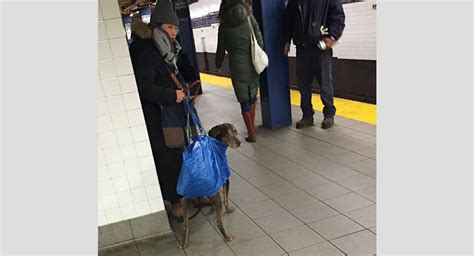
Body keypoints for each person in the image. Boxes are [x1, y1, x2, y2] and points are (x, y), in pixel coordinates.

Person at [128, 0, 195, 219]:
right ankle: (175, 202)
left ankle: (186, 193)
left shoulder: (167, 47)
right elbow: (143, 86)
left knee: (179, 152)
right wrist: (171, 95)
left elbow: (179, 73)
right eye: (169, 27)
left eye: (176, 28)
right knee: (168, 158)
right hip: (158, 115)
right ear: (157, 26)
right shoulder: (148, 50)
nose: (174, 32)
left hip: (171, 111)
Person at [284, 0, 345, 129]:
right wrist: (286, 40)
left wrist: (332, 36)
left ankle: (329, 114)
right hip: (303, 47)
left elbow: (338, 17)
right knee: (303, 84)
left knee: (325, 82)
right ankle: (307, 116)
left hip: (321, 47)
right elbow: (289, 19)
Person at [215, 0, 263, 142]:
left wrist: (218, 64)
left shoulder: (223, 26)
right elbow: (260, 40)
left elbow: (220, 48)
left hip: (236, 65)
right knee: (252, 95)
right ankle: (252, 128)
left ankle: (251, 132)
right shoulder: (249, 18)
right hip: (252, 62)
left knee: (244, 100)